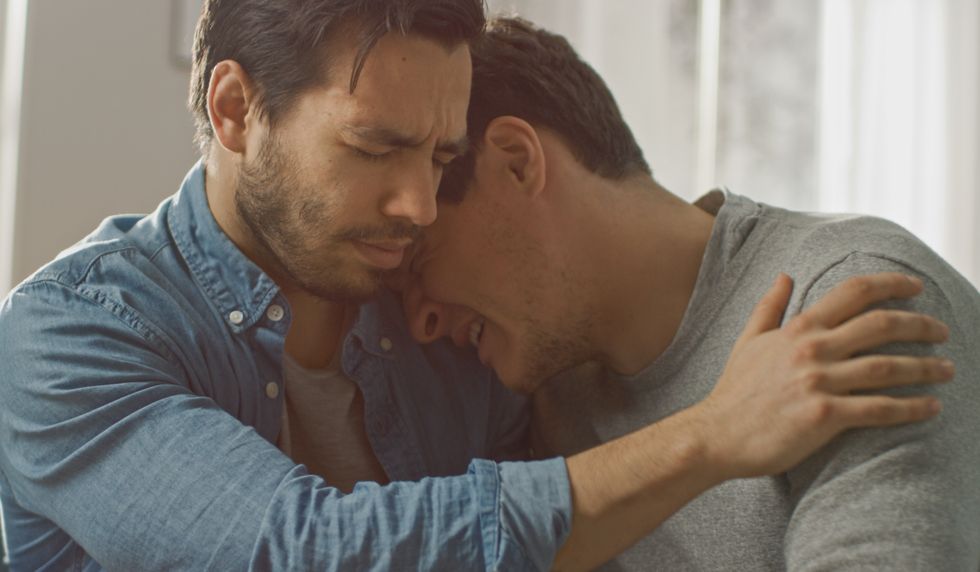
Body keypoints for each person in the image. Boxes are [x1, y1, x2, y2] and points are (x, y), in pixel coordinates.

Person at [0, 2, 954, 570]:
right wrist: (710, 435)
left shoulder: (458, 336)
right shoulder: (70, 334)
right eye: (376, 148)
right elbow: (303, 551)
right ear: (236, 109)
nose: (417, 204)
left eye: (440, 157)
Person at [400, 16, 980, 572]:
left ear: (516, 162)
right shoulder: (549, 391)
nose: (419, 321)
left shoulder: (844, 303)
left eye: (420, 256)